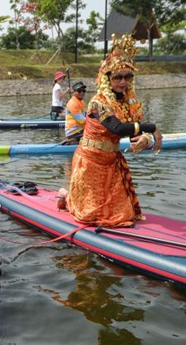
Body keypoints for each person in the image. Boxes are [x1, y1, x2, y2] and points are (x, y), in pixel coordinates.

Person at [58, 34, 163, 228]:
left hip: (112, 161)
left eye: (128, 76)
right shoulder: (98, 102)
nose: (123, 82)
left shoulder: (129, 102)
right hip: (91, 160)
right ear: (108, 78)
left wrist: (145, 139)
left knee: (123, 216)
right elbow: (118, 128)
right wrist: (153, 128)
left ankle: (71, 194)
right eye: (118, 77)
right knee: (89, 216)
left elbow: (134, 132)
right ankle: (66, 195)